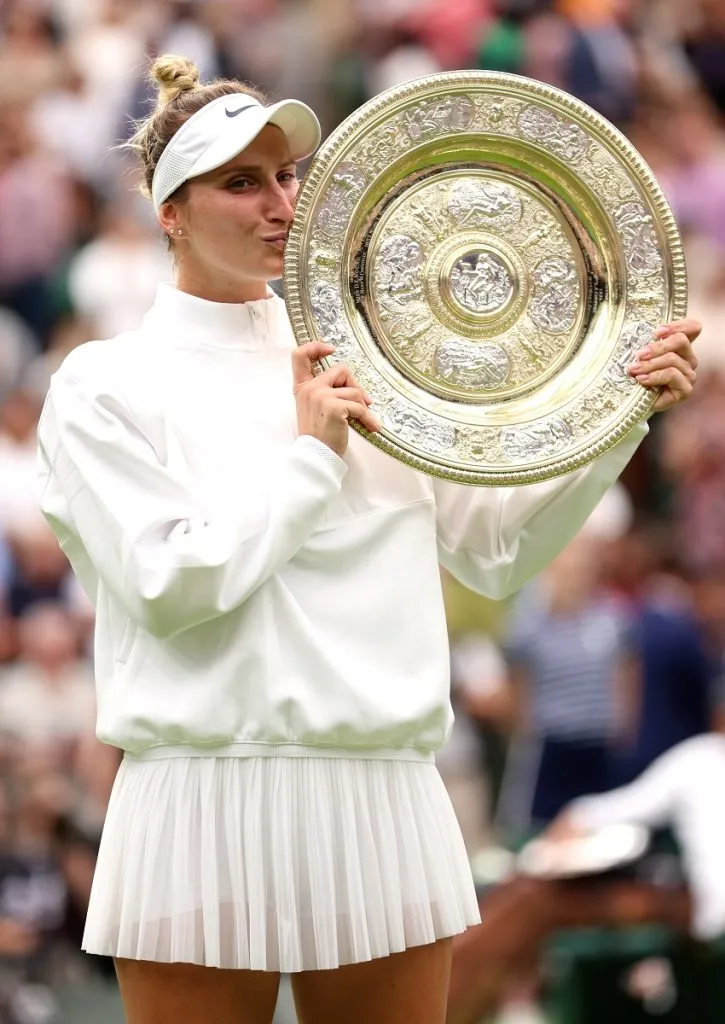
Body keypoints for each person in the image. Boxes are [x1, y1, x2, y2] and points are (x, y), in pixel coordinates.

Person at [35, 54, 700, 1024]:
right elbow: (169, 583)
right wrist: (311, 457)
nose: (277, 203)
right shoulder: (103, 385)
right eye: (238, 182)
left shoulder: (375, 356)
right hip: (198, 791)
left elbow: (493, 547)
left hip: (379, 788)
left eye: (284, 177)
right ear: (166, 210)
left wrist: (619, 416)